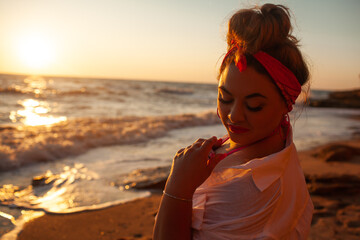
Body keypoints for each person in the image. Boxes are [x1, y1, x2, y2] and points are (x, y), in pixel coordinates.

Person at [153, 3, 313, 240]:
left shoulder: (248, 188)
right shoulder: (275, 143)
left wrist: (177, 187)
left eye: (254, 105)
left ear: (286, 104)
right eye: (224, 97)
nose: (234, 116)